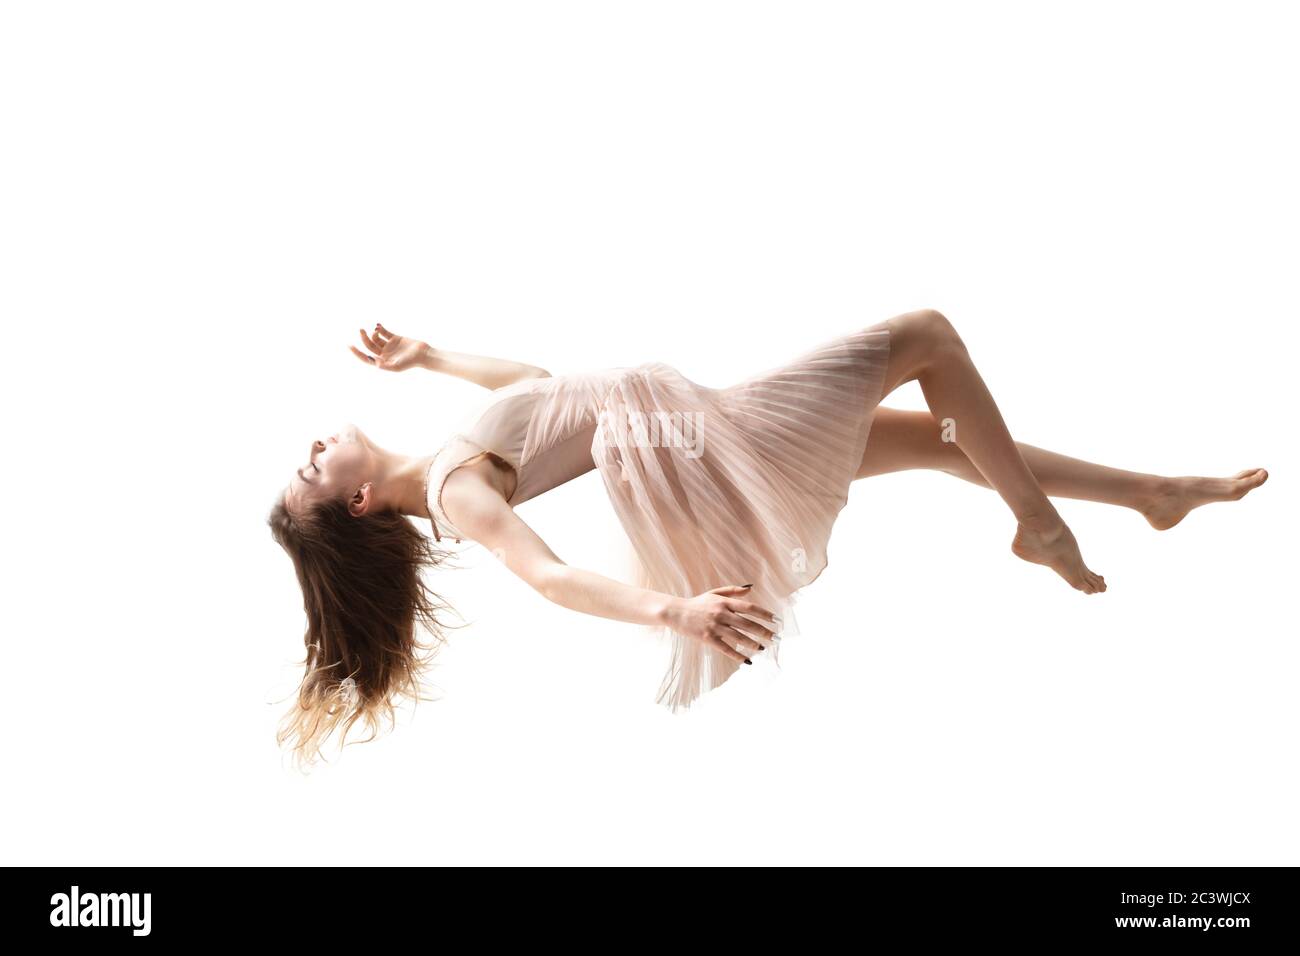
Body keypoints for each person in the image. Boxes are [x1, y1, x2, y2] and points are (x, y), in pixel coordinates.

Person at [269, 312, 1267, 766]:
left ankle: (1152, 491)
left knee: (939, 438)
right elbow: (549, 576)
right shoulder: (453, 488)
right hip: (706, 437)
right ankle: (1038, 522)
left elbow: (538, 385)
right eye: (313, 469)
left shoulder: (448, 452)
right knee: (925, 337)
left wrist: (432, 352)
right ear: (358, 504)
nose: (315, 446)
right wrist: (674, 607)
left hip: (696, 421)